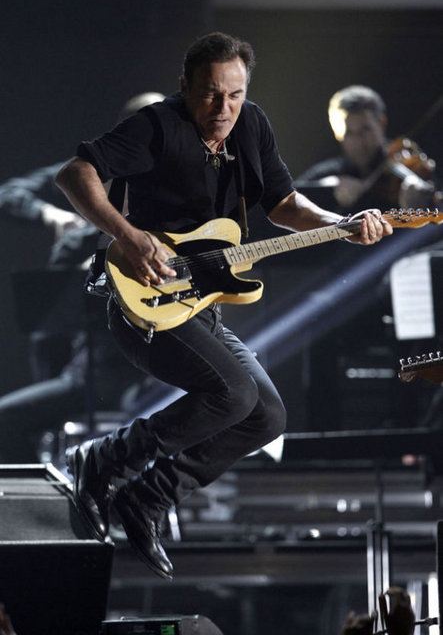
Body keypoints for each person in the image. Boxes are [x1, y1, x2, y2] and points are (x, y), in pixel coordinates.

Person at [55, 31, 392, 581]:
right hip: (146, 300)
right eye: (211, 94)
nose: (224, 108)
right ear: (185, 86)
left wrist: (340, 224)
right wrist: (129, 236)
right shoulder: (157, 125)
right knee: (233, 394)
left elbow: (283, 203)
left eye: (235, 94)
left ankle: (149, 497)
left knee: (267, 415)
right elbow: (75, 174)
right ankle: (105, 458)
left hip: (200, 305)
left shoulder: (251, 124)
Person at [0, 94, 166, 463]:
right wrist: (55, 218)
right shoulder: (91, 188)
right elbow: (11, 194)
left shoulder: (177, 201)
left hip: (143, 369)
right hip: (94, 367)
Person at [295, 85, 435, 213]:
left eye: (365, 129)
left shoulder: (408, 162)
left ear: (381, 123)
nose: (358, 141)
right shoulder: (327, 173)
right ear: (336, 132)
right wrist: (327, 191)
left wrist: (417, 211)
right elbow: (289, 202)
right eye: (349, 133)